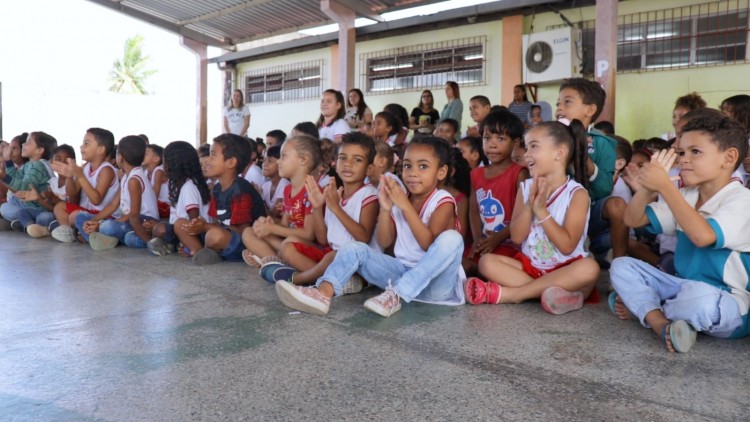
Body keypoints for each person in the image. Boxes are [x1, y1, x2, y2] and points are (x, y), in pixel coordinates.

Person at [276, 137, 465, 317]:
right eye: (407, 166)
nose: (413, 172)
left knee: (452, 238)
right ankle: (322, 293)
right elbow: (385, 241)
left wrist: (405, 207)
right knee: (354, 249)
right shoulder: (400, 198)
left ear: (441, 172)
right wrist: (385, 209)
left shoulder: (442, 200)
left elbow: (427, 244)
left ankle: (397, 294)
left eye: (423, 166)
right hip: (400, 273)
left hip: (435, 286)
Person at [610, 109, 750, 353]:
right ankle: (661, 323)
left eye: (695, 152)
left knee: (700, 300)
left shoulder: (742, 200)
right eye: (681, 152)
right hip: (683, 287)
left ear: (728, 158)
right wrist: (645, 189)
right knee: (622, 266)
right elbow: (632, 219)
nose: (683, 160)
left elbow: (703, 236)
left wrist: (666, 187)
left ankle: (645, 307)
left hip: (727, 304)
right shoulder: (688, 195)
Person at [467, 120, 599, 315]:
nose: (526, 154)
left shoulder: (577, 194)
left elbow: (567, 246)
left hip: (566, 270)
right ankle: (555, 295)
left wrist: (541, 211)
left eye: (534, 147)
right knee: (486, 262)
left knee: (589, 268)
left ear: (559, 153)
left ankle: (514, 295)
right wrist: (530, 204)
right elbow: (518, 237)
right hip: (531, 268)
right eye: (526, 148)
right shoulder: (526, 187)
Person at [264, 132, 379, 286]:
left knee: (333, 256)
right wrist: (318, 208)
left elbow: (363, 237)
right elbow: (323, 239)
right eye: (342, 158)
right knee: (289, 247)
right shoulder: (335, 193)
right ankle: (338, 280)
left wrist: (336, 208)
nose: (348, 164)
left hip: (361, 262)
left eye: (357, 160)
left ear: (369, 169)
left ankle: (298, 279)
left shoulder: (369, 194)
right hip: (331, 255)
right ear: (335, 163)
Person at [556, 78, 626, 269]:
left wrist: (587, 163)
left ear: (590, 110)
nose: (560, 107)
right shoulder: (549, 139)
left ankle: (620, 266)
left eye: (567, 102)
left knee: (617, 204)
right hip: (556, 212)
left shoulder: (602, 144)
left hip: (591, 210)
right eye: (558, 103)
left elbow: (604, 188)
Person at [178, 133, 267, 265]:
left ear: (231, 162)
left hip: (243, 242)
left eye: (213, 155)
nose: (207, 160)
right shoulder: (218, 188)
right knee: (180, 224)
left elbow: (244, 232)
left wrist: (206, 227)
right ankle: (200, 249)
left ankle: (206, 250)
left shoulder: (240, 189)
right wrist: (199, 225)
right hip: (223, 234)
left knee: (214, 235)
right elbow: (217, 222)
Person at [241, 135, 322, 266]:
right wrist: (268, 224)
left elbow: (309, 234)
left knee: (290, 241)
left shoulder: (312, 191)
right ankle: (274, 259)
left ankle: (271, 258)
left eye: (283, 156)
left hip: (306, 247)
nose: (278, 162)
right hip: (287, 242)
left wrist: (273, 229)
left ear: (303, 160)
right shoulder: (288, 189)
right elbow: (285, 224)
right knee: (249, 231)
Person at [466, 111, 529, 275]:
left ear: (515, 143)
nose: (492, 145)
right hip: (485, 242)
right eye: (487, 139)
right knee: (459, 262)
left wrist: (498, 237)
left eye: (500, 139)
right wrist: (477, 238)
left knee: (487, 266)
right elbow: (473, 210)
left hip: (510, 244)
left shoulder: (519, 173)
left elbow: (524, 214)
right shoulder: (476, 174)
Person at [74, 135, 159, 250]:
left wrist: (100, 225)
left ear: (120, 158)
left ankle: (107, 238)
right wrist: (93, 221)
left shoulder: (135, 179)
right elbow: (113, 204)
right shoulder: (126, 177)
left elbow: (134, 214)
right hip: (129, 222)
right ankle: (105, 239)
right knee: (81, 217)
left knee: (109, 228)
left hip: (142, 222)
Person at [50, 128, 119, 243]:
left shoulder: (106, 170)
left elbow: (96, 199)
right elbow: (72, 192)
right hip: (87, 213)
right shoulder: (86, 167)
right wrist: (69, 176)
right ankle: (71, 233)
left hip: (104, 216)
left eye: (86, 143)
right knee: (60, 207)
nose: (81, 147)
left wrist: (81, 176)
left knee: (75, 216)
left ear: (101, 149)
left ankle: (91, 236)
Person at [146, 141, 211, 256]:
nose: (163, 166)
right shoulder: (181, 185)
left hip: (194, 231)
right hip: (183, 230)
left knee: (165, 228)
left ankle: (195, 249)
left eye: (165, 162)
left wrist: (187, 240)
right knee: (157, 227)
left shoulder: (188, 187)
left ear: (175, 164)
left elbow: (194, 221)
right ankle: (174, 245)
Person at [0, 132, 57, 232]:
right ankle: (29, 225)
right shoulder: (29, 165)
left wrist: (4, 177)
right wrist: (8, 161)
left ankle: (28, 225)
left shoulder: (38, 166)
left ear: (39, 150)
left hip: (40, 208)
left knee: (45, 217)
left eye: (28, 142)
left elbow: (24, 187)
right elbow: (16, 178)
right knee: (5, 207)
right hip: (28, 206)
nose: (23, 145)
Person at [21, 144, 76, 238]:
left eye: (66, 160)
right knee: (23, 212)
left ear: (73, 162)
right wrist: (39, 199)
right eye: (58, 160)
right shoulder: (52, 182)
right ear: (51, 162)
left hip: (63, 217)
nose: (62, 163)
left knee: (45, 218)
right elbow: (49, 207)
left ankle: (46, 229)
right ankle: (30, 226)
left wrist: (53, 198)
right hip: (51, 212)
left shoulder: (74, 181)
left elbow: (72, 207)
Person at [260, 145, 289, 221]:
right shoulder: (265, 186)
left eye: (269, 161)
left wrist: (259, 199)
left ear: (281, 163)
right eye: (264, 160)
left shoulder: (284, 185)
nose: (264, 164)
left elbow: (273, 216)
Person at [142, 144, 170, 219]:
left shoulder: (159, 171)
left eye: (146, 154)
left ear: (156, 159)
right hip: (157, 203)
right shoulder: (145, 172)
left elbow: (154, 196)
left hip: (166, 205)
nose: (142, 155)